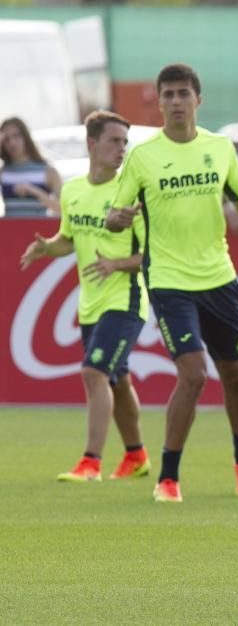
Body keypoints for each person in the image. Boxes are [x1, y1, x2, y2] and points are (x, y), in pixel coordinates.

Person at [106, 63, 238, 503]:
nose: (176, 102)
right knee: (194, 374)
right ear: (158, 102)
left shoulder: (220, 149)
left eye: (184, 94)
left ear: (198, 100)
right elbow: (113, 214)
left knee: (235, 376)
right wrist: (117, 217)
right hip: (168, 280)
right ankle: (168, 477)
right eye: (169, 95)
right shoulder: (143, 156)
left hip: (218, 277)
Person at [19, 111, 151, 482]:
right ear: (92, 144)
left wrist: (117, 264)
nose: (121, 149)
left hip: (124, 301)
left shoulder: (131, 194)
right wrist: (48, 247)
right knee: (116, 380)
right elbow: (69, 238)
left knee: (94, 373)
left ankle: (91, 462)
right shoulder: (74, 190)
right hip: (90, 304)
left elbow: (153, 256)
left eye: (125, 142)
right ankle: (137, 456)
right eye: (114, 141)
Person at [1, 116, 62, 215]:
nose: (12, 143)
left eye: (16, 136)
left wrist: (34, 191)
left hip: (38, 228)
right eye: (6, 139)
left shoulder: (48, 171)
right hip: (9, 229)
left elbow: (62, 208)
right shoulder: (3, 171)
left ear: (26, 137)